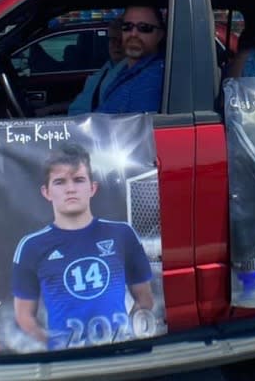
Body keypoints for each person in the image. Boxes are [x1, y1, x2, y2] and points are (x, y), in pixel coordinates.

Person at [12, 143, 154, 349]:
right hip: (64, 360)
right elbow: (24, 316)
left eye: (78, 180)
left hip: (118, 353)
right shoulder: (31, 246)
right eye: (60, 182)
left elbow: (145, 299)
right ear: (46, 192)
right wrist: (55, 345)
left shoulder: (122, 234)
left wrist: (125, 336)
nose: (70, 189)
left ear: (92, 187)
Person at [94, 5, 165, 114]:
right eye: (127, 26)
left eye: (144, 28)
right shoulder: (126, 70)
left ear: (160, 35)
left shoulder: (153, 79)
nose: (133, 34)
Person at [68, 19, 126, 115]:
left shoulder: (126, 73)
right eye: (112, 39)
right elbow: (87, 99)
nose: (116, 45)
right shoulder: (109, 66)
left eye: (121, 40)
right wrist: (52, 108)